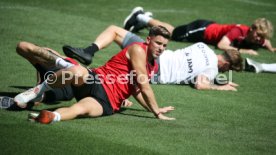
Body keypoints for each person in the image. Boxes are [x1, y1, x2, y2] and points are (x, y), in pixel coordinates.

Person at [14, 25, 175, 124]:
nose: (161, 48)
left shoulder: (153, 66)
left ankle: (49, 117)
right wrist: (157, 113)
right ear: (148, 40)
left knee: (79, 109)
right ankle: (38, 90)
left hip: (107, 102)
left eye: (164, 45)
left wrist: (152, 108)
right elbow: (145, 87)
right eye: (158, 43)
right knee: (77, 71)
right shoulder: (138, 49)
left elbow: (137, 90)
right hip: (96, 80)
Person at [63, 25, 243, 91]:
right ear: (226, 64)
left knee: (114, 30)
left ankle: (89, 51)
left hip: (154, 52)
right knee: (107, 78)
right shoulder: (212, 70)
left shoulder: (203, 47)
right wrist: (222, 87)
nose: (225, 71)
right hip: (154, 70)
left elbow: (195, 65)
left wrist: (217, 79)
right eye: (227, 69)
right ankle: (70, 73)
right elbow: (200, 83)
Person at [123, 7, 275, 55]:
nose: (259, 39)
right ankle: (141, 17)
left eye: (261, 37)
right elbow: (222, 46)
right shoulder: (238, 31)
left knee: (173, 30)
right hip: (202, 30)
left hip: (207, 28)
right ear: (253, 28)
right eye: (258, 36)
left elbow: (265, 41)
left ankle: (143, 20)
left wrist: (271, 48)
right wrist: (245, 51)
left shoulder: (258, 38)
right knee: (172, 33)